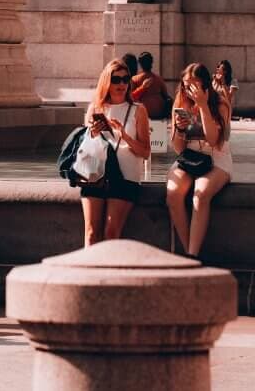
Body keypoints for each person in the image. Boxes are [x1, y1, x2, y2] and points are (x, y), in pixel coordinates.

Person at [79, 57, 150, 247]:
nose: (122, 84)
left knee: (111, 233)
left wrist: (124, 136)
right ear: (107, 82)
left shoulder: (138, 110)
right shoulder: (95, 108)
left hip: (125, 177)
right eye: (116, 80)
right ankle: (88, 275)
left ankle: (108, 276)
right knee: (91, 233)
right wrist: (92, 134)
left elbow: (145, 152)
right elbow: (84, 148)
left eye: (126, 79)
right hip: (96, 174)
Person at [166, 62, 232, 260]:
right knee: (173, 193)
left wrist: (203, 106)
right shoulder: (180, 102)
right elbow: (178, 148)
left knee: (201, 193)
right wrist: (178, 128)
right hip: (190, 157)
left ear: (205, 85)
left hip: (216, 158)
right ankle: (190, 255)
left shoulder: (220, 103)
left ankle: (192, 255)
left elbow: (214, 141)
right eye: (186, 85)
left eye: (194, 85)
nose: (190, 90)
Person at [131, 51, 172, 120]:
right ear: (152, 63)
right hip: (149, 116)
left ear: (140, 64)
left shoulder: (135, 79)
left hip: (154, 116)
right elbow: (166, 96)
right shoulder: (158, 79)